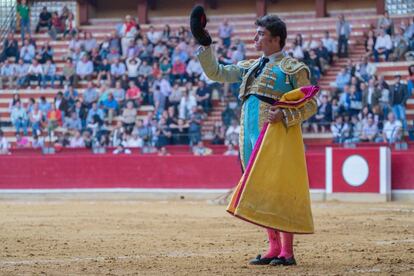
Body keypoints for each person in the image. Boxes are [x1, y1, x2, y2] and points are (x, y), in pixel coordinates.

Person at [191, 7, 318, 266]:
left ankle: (287, 251)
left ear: (275, 39)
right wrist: (205, 44)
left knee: (279, 189)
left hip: (275, 136)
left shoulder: (293, 68)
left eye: (260, 34)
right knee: (258, 190)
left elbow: (311, 104)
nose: (255, 39)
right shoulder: (251, 67)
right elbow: (217, 73)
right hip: (247, 133)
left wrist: (284, 116)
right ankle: (272, 247)